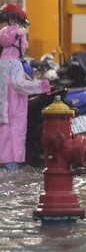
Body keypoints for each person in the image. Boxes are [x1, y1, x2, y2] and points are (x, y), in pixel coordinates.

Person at [0, 24, 51, 170]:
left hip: (3, 114)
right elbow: (18, 84)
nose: (25, 43)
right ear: (16, 42)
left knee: (3, 150)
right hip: (14, 115)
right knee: (12, 154)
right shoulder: (15, 64)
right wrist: (42, 86)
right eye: (23, 40)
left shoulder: (2, 63)